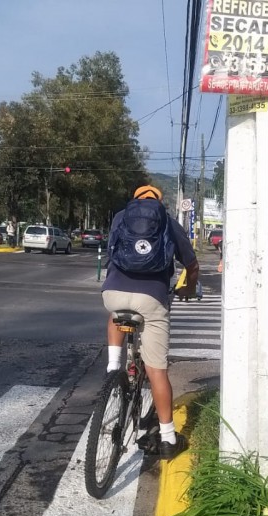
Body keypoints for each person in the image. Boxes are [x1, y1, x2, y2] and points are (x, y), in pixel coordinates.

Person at [101, 185, 199, 460]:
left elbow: (112, 253)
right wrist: (189, 289)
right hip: (152, 299)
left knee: (116, 313)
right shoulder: (168, 222)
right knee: (157, 371)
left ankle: (112, 367)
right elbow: (192, 265)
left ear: (135, 201)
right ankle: (168, 438)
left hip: (113, 293)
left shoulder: (121, 217)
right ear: (159, 201)